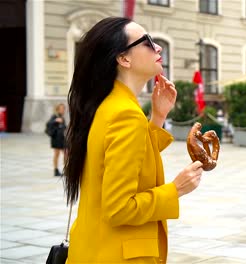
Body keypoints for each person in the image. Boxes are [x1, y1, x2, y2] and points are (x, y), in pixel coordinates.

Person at [64, 17, 203, 263]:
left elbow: (132, 158)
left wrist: (158, 117)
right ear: (124, 58)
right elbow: (119, 208)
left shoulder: (109, 105)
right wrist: (176, 189)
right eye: (147, 41)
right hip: (116, 255)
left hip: (94, 248)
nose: (158, 47)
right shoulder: (125, 114)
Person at [46, 103, 67, 176]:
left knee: (66, 153)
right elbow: (48, 124)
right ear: (58, 109)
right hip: (56, 138)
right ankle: (56, 170)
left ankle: (66, 169)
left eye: (64, 109)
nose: (63, 110)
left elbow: (64, 127)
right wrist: (56, 121)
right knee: (57, 154)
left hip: (62, 138)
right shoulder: (54, 116)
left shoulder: (62, 117)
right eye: (61, 109)